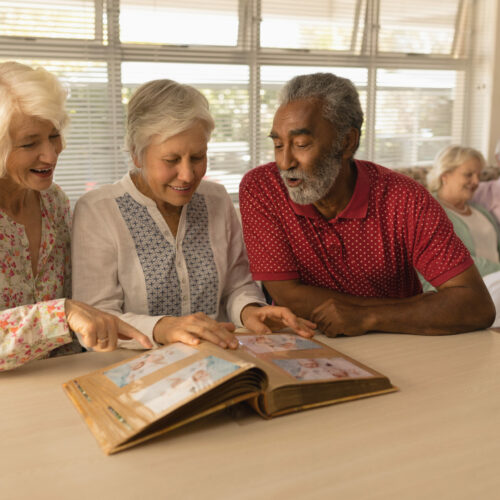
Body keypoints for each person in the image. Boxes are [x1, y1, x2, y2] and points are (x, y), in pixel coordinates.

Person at [239, 72, 495, 337]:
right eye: (278, 145)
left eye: (301, 144)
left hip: (401, 344)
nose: (285, 162)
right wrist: (409, 309)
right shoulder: (262, 188)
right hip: (307, 342)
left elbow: (476, 304)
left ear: (347, 142)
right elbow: (287, 295)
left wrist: (368, 317)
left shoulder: (406, 198)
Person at [71, 79, 315, 351]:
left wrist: (250, 310)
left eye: (198, 157)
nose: (188, 175)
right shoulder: (97, 210)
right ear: (136, 156)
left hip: (222, 361)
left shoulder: (217, 200)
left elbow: (237, 286)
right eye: (172, 160)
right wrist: (164, 328)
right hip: (136, 371)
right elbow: (96, 319)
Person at [0, 61, 152, 371]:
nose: (51, 155)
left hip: (65, 375)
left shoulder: (53, 202)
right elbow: (67, 311)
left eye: (54, 136)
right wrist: (62, 313)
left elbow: (84, 300)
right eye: (30, 143)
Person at [427, 145, 500, 326]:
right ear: (445, 175)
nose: (476, 181)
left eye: (479, 175)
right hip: (466, 285)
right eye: (468, 175)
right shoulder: (431, 211)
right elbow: (458, 260)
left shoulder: (481, 211)